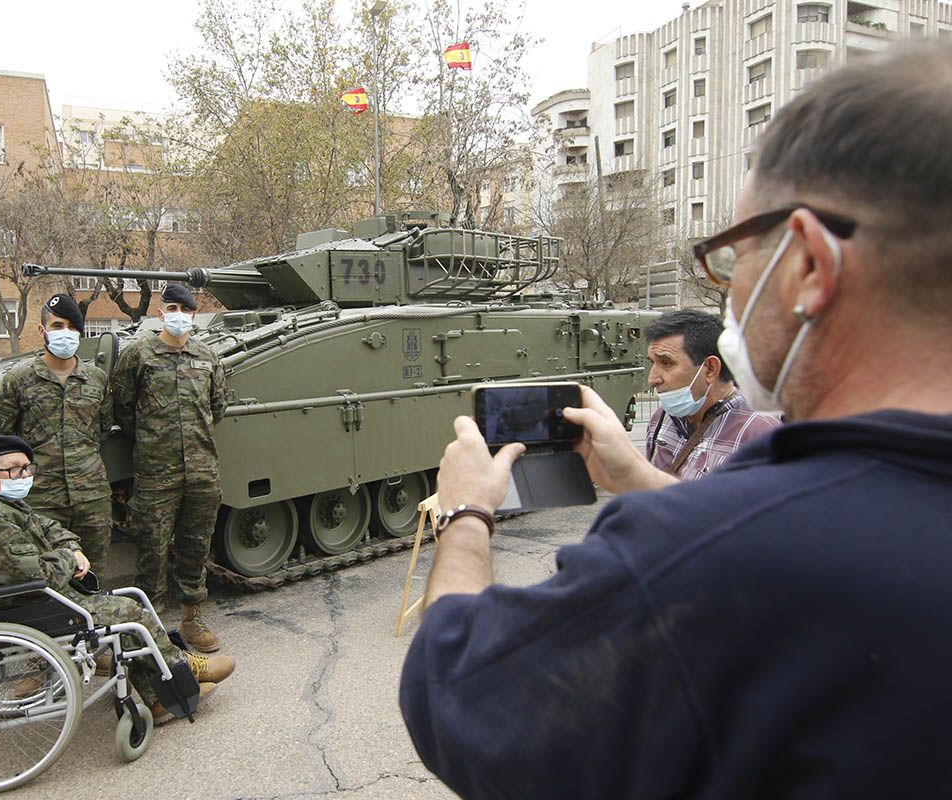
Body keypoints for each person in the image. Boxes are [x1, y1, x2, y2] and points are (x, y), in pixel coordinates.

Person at [399, 42, 952, 799]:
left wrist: (466, 514)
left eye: (732, 257)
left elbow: (455, 693)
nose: (726, 291)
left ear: (809, 267)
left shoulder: (706, 553)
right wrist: (636, 476)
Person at [0, 433, 235, 723]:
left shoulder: (2, 504)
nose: (24, 475)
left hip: (30, 597)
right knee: (130, 612)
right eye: (15, 469)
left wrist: (71, 547)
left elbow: (49, 528)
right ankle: (183, 669)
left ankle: (161, 696)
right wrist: (68, 558)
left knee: (128, 606)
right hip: (26, 604)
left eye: (27, 468)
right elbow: (38, 574)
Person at [111, 283, 228, 652]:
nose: (178, 315)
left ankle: (192, 619)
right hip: (156, 474)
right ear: (160, 313)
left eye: (186, 309)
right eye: (172, 308)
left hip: (201, 472)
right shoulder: (138, 355)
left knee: (196, 546)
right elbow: (123, 409)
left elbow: (217, 408)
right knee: (152, 552)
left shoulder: (207, 356)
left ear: (194, 315)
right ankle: (150, 627)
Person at [0, 293, 115, 580]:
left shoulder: (97, 379)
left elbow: (103, 428)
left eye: (71, 326)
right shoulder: (18, 381)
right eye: (57, 326)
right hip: (40, 499)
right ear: (42, 331)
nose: (64, 333)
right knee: (43, 577)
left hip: (91, 496)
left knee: (94, 573)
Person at [644, 308, 779, 479]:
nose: (653, 378)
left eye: (666, 363)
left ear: (710, 369)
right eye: (652, 363)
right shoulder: (661, 419)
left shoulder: (760, 434)